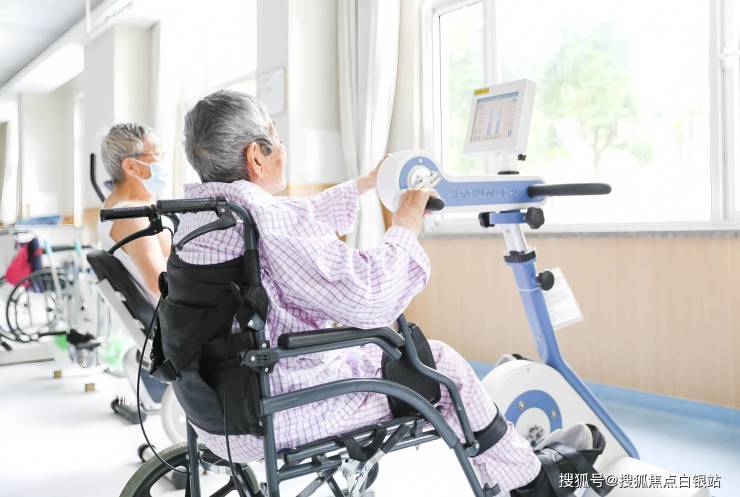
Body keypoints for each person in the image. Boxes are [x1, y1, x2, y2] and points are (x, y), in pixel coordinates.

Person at [176, 90, 594, 495]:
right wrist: (406, 224)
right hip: (280, 410)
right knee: (441, 366)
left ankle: (513, 467)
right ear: (256, 156)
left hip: (216, 414)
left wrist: (366, 183)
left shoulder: (203, 217)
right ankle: (534, 483)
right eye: (276, 135)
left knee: (392, 356)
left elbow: (299, 218)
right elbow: (369, 300)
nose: (282, 146)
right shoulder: (267, 219)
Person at [98, 123, 171, 303]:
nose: (162, 162)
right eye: (157, 154)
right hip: (176, 315)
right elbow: (161, 287)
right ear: (131, 166)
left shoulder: (116, 206)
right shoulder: (133, 217)